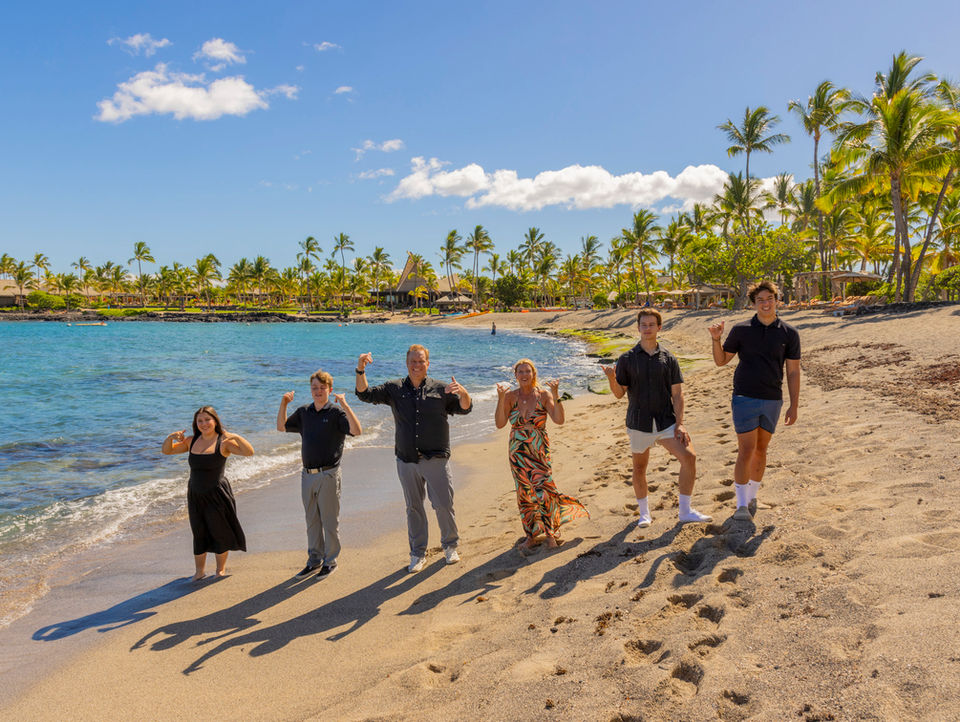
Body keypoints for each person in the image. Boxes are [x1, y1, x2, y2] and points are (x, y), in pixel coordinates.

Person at [355, 344, 472, 572]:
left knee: (443, 505)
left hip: (436, 458)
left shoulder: (441, 389)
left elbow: (465, 409)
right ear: (407, 363)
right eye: (413, 361)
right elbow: (364, 394)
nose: (417, 365)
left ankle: (450, 546)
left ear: (428, 363)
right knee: (413, 508)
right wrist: (360, 370)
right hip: (406, 459)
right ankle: (418, 553)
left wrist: (464, 393)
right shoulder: (394, 388)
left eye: (421, 361)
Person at [602, 309, 712, 528]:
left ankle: (685, 511)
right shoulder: (627, 359)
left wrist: (680, 423)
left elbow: (678, 394)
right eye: (644, 324)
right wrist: (611, 379)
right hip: (639, 423)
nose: (648, 328)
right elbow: (618, 393)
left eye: (652, 324)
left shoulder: (668, 358)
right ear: (638, 327)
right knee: (639, 468)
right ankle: (644, 514)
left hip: (666, 422)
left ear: (659, 328)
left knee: (689, 457)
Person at [709, 280, 800, 520]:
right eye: (760, 300)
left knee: (761, 450)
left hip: (772, 399)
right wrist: (716, 340)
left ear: (777, 300)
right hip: (744, 397)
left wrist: (794, 404)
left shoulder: (789, 333)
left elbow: (792, 371)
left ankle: (752, 497)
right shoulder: (741, 330)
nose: (766, 303)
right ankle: (740, 505)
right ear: (754, 304)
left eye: (770, 298)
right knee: (746, 450)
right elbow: (721, 361)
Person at [277, 369, 362, 580]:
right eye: (314, 388)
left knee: (329, 521)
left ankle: (330, 561)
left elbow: (357, 430)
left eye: (322, 388)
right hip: (307, 475)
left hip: (328, 475)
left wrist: (344, 404)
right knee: (312, 520)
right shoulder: (304, 412)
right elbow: (281, 427)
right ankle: (314, 560)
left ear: (329, 389)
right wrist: (284, 403)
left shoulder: (336, 413)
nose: (317, 391)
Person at [495, 359, 588, 549]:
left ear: (533, 373)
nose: (524, 375)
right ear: (515, 375)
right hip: (518, 452)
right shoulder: (511, 397)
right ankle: (531, 536)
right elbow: (500, 423)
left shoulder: (544, 395)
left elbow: (559, 420)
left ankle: (551, 534)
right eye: (520, 372)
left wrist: (556, 394)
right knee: (525, 494)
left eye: (527, 371)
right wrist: (500, 399)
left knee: (545, 491)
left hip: (538, 450)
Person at [161, 406, 255, 580]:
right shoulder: (191, 440)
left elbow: (249, 452)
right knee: (199, 532)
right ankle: (199, 572)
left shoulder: (224, 442)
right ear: (196, 424)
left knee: (219, 531)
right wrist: (170, 438)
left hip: (217, 494)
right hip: (195, 494)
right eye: (200, 421)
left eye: (207, 420)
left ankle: (220, 569)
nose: (204, 424)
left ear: (215, 421)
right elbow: (167, 450)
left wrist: (235, 436)